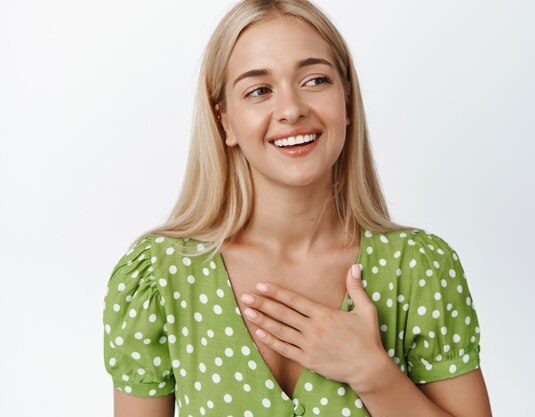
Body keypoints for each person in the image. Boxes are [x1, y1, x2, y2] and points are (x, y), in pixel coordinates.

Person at [102, 0, 493, 416]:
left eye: (315, 80)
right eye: (259, 90)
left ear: (346, 102)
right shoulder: (158, 279)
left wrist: (372, 374)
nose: (291, 110)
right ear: (226, 123)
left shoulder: (418, 269)